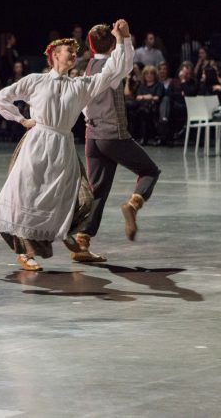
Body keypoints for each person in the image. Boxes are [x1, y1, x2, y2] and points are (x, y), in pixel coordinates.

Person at [0, 20, 133, 271]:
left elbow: (112, 71)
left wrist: (122, 39)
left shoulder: (79, 86)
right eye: (69, 50)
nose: (74, 54)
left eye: (76, 51)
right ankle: (24, 252)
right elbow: (1, 98)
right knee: (28, 196)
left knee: (81, 199)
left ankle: (68, 236)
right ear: (55, 55)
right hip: (38, 144)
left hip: (63, 147)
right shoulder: (35, 81)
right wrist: (21, 119)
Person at [72, 23, 160, 263]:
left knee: (97, 191)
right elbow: (126, 63)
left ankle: (82, 243)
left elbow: (84, 104)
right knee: (149, 171)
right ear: (111, 44)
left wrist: (121, 40)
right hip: (112, 135)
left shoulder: (88, 67)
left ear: (90, 46)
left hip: (92, 136)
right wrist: (124, 38)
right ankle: (133, 204)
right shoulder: (110, 69)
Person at [132, 65, 165, 145]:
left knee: (144, 111)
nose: (149, 75)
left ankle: (144, 138)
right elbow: (138, 97)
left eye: (151, 74)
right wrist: (148, 96)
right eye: (147, 74)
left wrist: (145, 97)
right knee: (132, 108)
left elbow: (157, 97)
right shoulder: (142, 85)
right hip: (141, 105)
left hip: (153, 106)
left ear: (155, 75)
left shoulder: (159, 85)